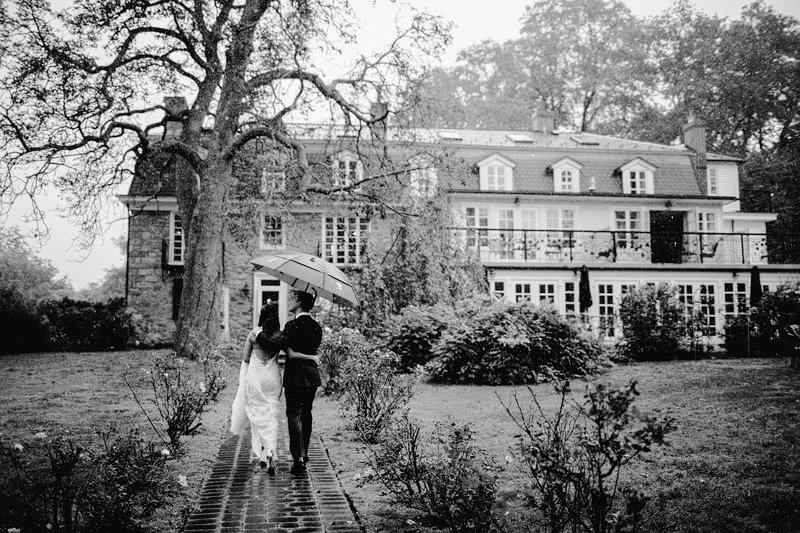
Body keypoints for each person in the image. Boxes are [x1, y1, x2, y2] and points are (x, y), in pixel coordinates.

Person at [273, 289, 322, 476]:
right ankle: (304, 453)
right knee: (307, 414)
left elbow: (281, 344)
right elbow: (314, 349)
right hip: (311, 375)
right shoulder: (317, 327)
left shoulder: (291, 325)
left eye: (292, 298)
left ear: (300, 302)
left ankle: (298, 459)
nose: (290, 302)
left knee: (294, 414)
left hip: (294, 375)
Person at [235, 303, 283, 475]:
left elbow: (245, 359)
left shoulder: (253, 334)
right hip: (272, 377)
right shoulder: (279, 335)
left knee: (258, 414)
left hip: (256, 377)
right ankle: (269, 450)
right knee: (271, 412)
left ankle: (264, 452)